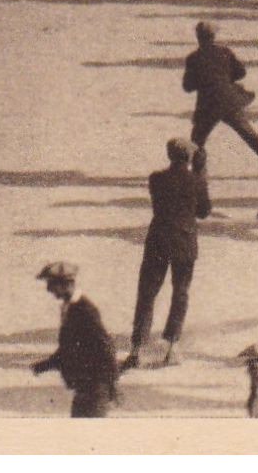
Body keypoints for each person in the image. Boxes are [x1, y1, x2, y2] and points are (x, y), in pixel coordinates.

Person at [122, 138, 211, 371]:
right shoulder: (195, 181)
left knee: (147, 294)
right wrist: (201, 172)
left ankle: (137, 349)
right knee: (180, 292)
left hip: (158, 239)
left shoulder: (156, 179)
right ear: (190, 157)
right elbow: (204, 211)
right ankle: (172, 346)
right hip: (184, 241)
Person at [183, 21, 258, 173]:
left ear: (198, 37)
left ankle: (199, 171)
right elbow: (241, 72)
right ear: (214, 36)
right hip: (229, 100)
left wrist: (205, 81)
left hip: (208, 104)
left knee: (197, 139)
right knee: (247, 132)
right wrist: (225, 79)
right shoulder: (225, 52)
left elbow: (187, 86)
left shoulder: (193, 58)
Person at [31, 262, 120, 418]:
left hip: (95, 389)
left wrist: (112, 385)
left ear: (65, 284)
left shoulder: (85, 310)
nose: (49, 290)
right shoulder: (71, 308)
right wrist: (42, 366)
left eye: (52, 284)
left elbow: (106, 347)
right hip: (85, 388)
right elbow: (68, 350)